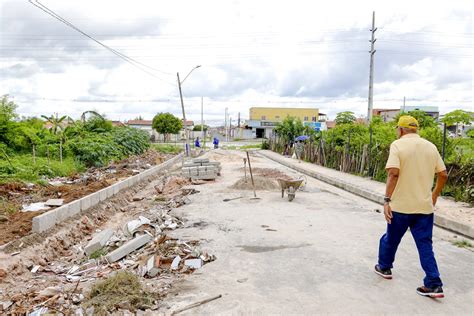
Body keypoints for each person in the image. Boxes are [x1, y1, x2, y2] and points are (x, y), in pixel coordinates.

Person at [374, 115, 448, 298]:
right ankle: (433, 283)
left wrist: (386, 200)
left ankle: (384, 268)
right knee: (425, 245)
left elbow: (393, 173)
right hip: (424, 208)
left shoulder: (397, 145)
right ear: (416, 129)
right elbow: (443, 174)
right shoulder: (431, 147)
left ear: (400, 130)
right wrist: (434, 194)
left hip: (400, 207)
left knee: (390, 239)